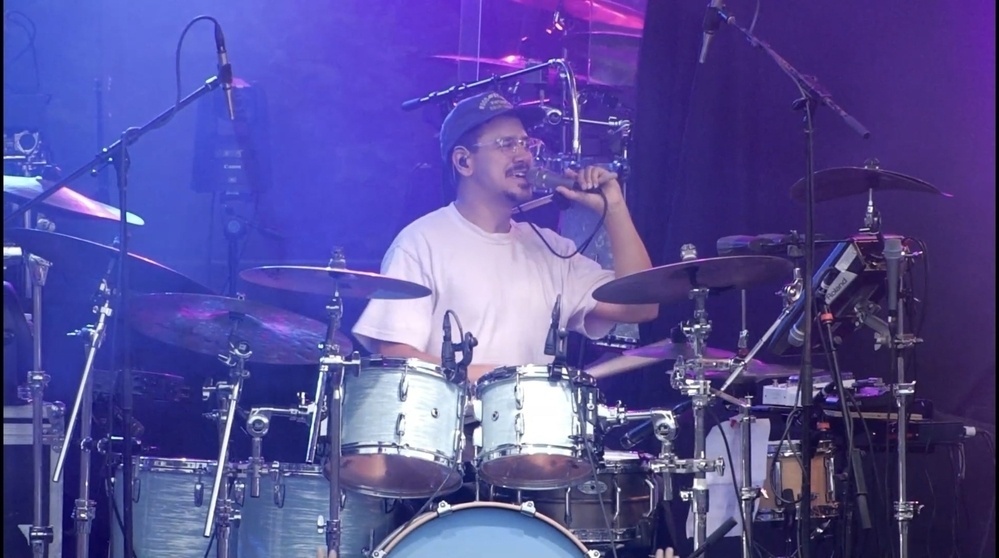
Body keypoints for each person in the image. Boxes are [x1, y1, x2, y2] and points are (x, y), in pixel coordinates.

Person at [352, 91, 658, 382]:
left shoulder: (551, 248)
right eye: (507, 144)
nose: (524, 155)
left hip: (531, 434)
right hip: (447, 429)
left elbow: (641, 307)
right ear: (464, 162)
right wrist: (491, 377)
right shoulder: (421, 242)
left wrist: (615, 209)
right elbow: (394, 353)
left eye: (527, 143)